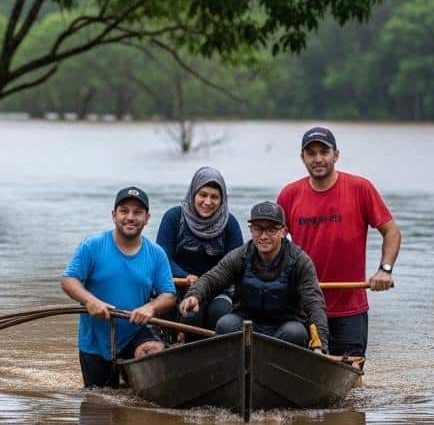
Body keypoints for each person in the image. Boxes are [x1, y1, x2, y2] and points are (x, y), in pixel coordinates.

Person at [276, 126, 401, 358]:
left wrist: (385, 270)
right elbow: (273, 245)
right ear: (302, 158)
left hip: (349, 307)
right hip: (304, 307)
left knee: (351, 381)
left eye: (324, 152)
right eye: (311, 153)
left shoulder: (360, 188)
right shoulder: (288, 195)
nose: (318, 159)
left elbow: (392, 231)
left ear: (336, 155)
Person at [62, 186, 177, 388]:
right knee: (98, 402)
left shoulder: (156, 253)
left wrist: (150, 308)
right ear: (114, 215)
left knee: (155, 351)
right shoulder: (92, 245)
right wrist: (91, 301)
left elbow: (169, 294)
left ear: (147, 218)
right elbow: (69, 280)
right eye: (124, 211)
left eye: (137, 212)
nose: (130, 217)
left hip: (135, 333)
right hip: (96, 340)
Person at [178, 201, 329, 349]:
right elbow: (212, 279)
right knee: (225, 324)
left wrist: (320, 345)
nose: (263, 236)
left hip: (285, 326)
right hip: (245, 322)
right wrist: (194, 295)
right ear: (251, 230)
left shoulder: (300, 261)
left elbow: (314, 303)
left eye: (271, 230)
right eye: (258, 229)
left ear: (283, 231)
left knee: (296, 333)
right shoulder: (240, 256)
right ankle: (234, 369)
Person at [154, 166, 244, 329]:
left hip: (218, 290)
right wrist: (186, 276)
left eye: (214, 197)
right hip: (179, 287)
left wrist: (208, 283)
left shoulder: (230, 223)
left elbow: (236, 264)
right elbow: (162, 257)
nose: (208, 202)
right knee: (192, 314)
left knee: (221, 314)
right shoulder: (173, 217)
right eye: (203, 195)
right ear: (193, 193)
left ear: (222, 200)